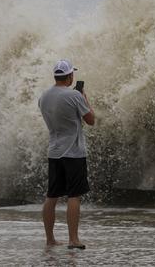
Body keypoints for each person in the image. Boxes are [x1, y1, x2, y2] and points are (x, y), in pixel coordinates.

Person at [38, 59, 95, 249]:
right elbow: (91, 120)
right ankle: (73, 239)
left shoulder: (43, 97)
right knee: (74, 195)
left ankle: (50, 239)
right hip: (74, 153)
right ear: (70, 76)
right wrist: (84, 98)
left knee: (51, 195)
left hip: (54, 152)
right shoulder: (74, 96)